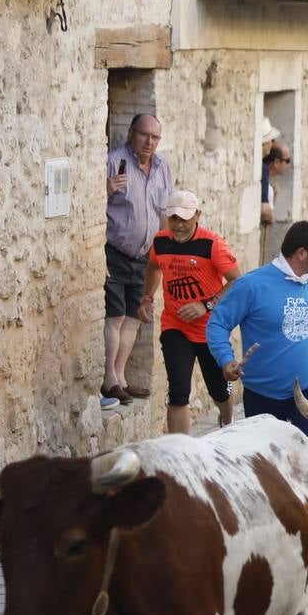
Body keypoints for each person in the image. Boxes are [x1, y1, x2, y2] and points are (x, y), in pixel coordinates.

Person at [206, 221, 308, 448]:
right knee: (265, 467)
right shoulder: (251, 285)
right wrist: (226, 360)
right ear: (301, 253)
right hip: (262, 395)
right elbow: (217, 324)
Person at [138, 191, 242, 433]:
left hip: (210, 328)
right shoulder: (161, 242)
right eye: (174, 218)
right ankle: (180, 452)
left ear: (197, 215)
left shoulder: (212, 244)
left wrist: (206, 305)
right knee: (178, 391)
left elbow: (237, 280)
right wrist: (146, 298)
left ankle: (227, 420)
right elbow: (153, 267)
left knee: (218, 388)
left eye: (185, 218)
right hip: (175, 326)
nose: (179, 225)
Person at [104, 113, 174, 407]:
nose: (149, 142)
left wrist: (164, 253)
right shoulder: (114, 160)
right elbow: (91, 202)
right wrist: (107, 189)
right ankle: (108, 379)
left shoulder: (162, 168)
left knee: (133, 318)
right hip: (114, 252)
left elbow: (166, 211)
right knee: (115, 315)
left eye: (155, 137)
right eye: (144, 135)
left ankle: (120, 377)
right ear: (131, 133)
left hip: (146, 256)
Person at [259, 117, 281, 230]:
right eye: (271, 140)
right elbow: (264, 209)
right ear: (264, 144)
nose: (272, 144)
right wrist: (272, 217)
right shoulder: (262, 168)